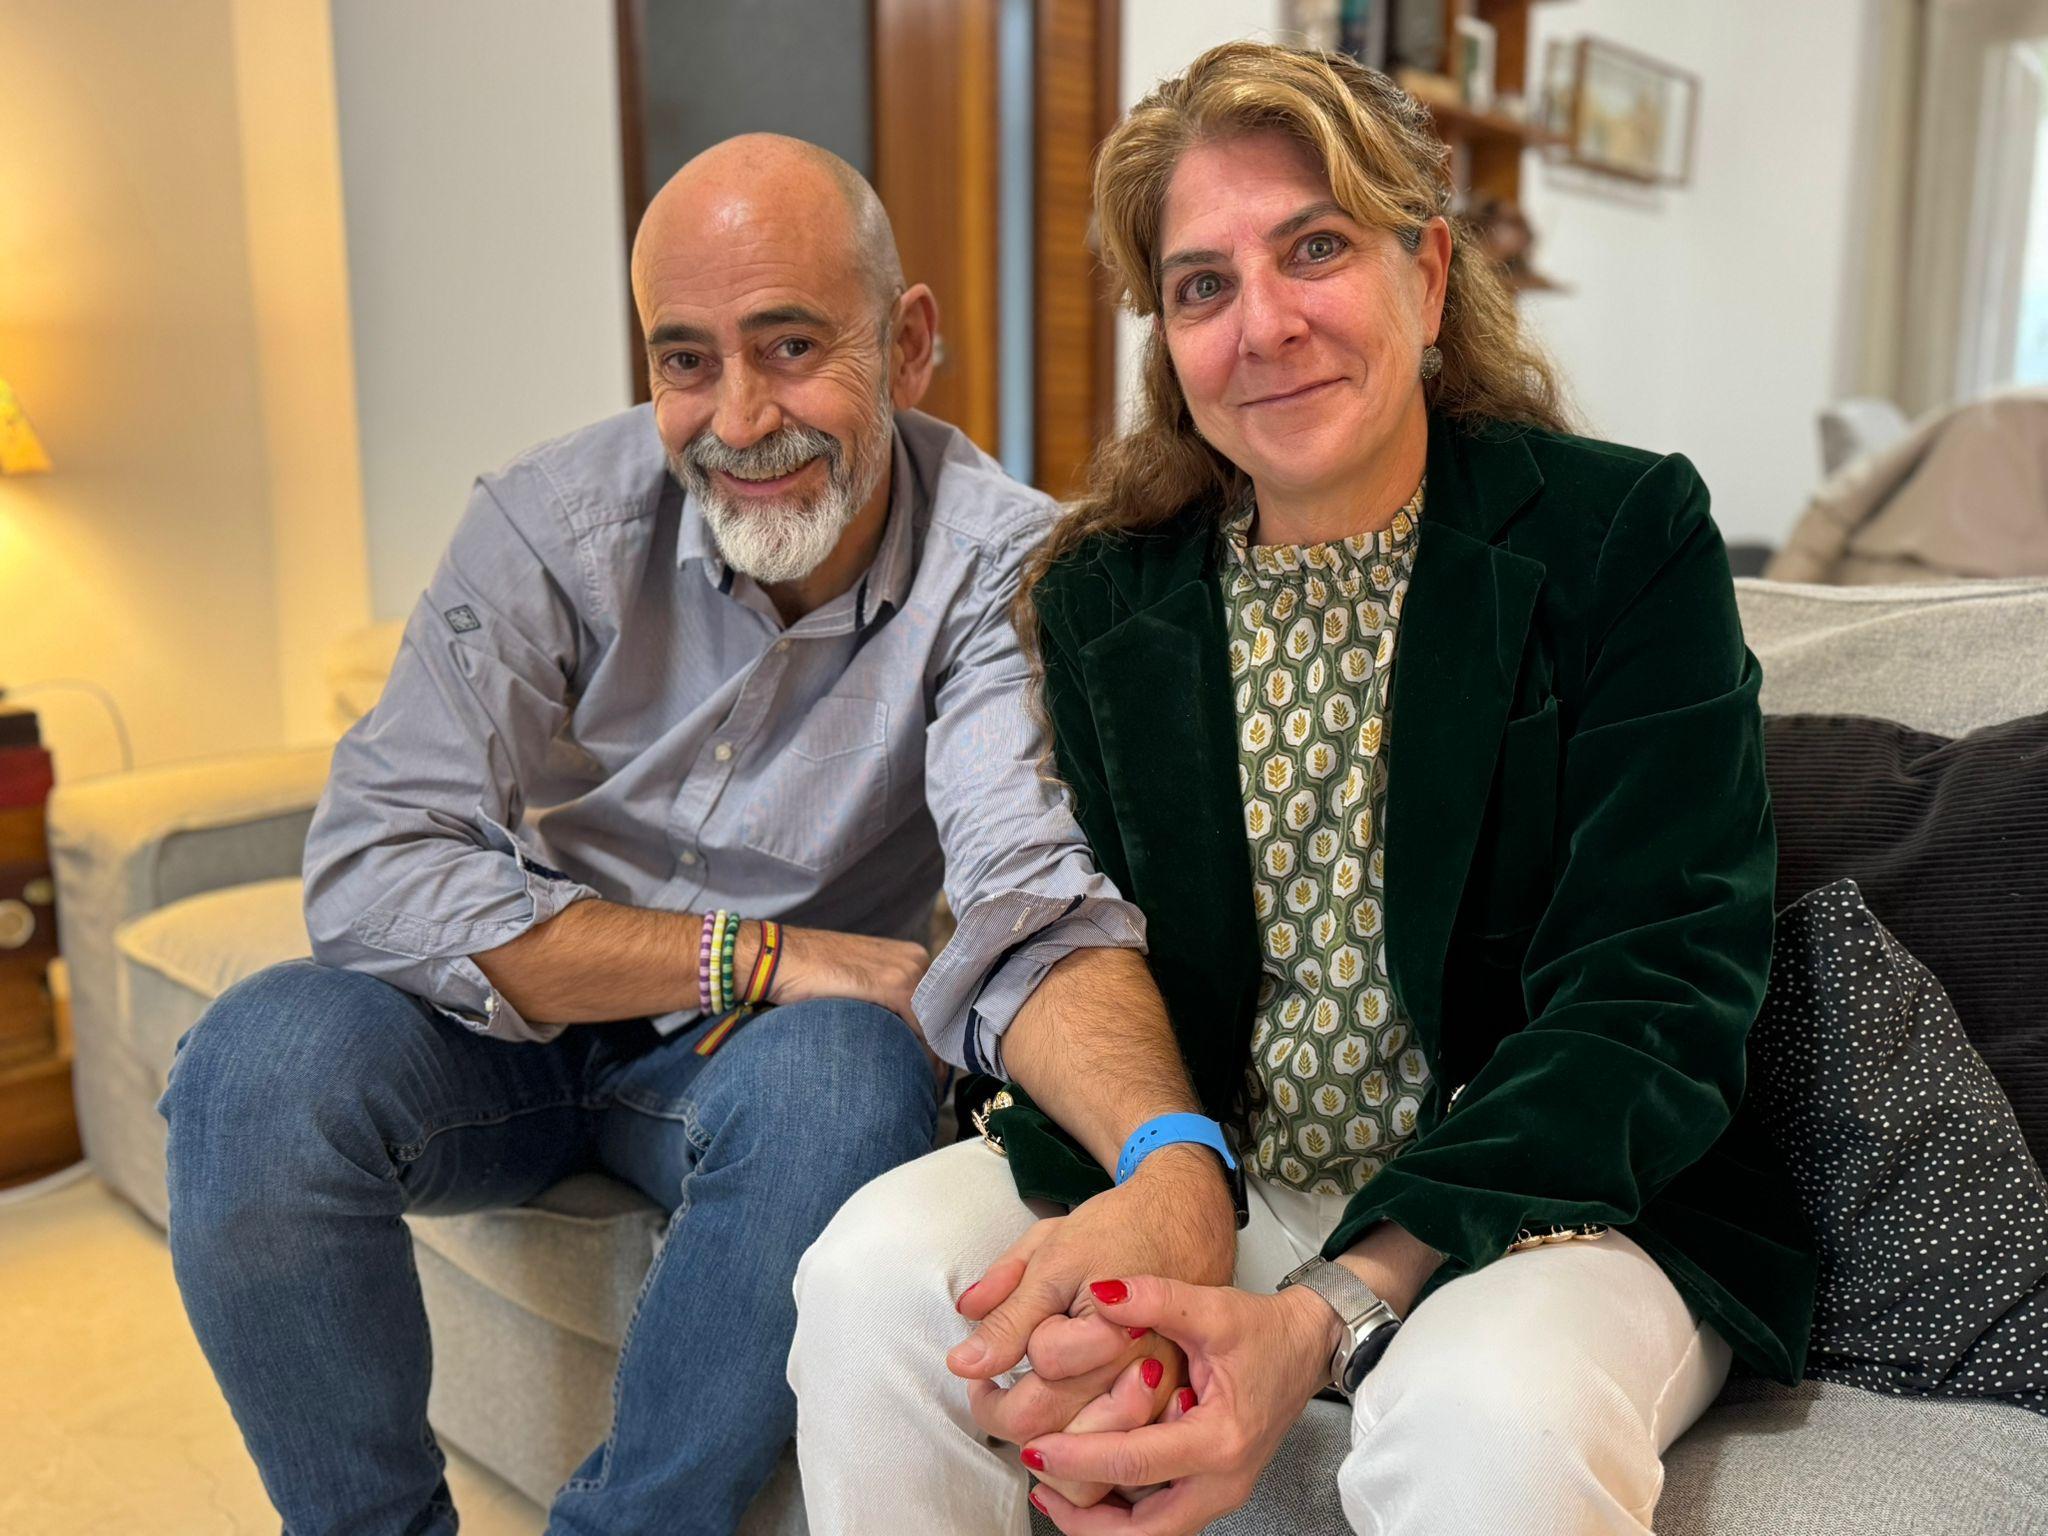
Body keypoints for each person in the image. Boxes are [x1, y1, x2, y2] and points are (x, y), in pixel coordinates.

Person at [790, 45, 1816, 1536]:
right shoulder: (1103, 596)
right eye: (1202, 286)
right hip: (1219, 1168)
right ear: (1168, 340)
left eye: (1316, 248)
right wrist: (1161, 1195)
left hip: (1550, 1201)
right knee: (872, 1285)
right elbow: (1080, 950)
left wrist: (1334, 1305)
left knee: (1494, 1424)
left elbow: (1657, 989)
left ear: (1429, 274)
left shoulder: (1622, 538)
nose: (1263, 324)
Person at [156, 133, 1151, 1534]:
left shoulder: (1003, 566)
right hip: (511, 1025)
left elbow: (1014, 879)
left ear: (909, 344)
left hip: (758, 1067)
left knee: (849, 1074)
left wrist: (1160, 1146)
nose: (739, 419)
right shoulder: (550, 523)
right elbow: (374, 864)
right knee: (252, 1065)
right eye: (687, 360)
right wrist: (760, 952)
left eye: (791, 345)